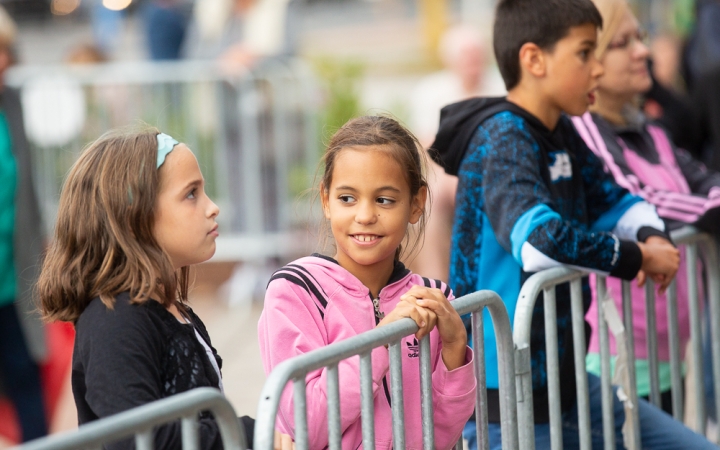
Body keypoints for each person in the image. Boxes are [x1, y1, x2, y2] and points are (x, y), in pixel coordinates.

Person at [432, 0, 715, 448]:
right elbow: (538, 242)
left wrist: (651, 236)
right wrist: (637, 257)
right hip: (510, 408)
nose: (597, 70)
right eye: (585, 53)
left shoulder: (561, 130)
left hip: (571, 386)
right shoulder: (504, 137)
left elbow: (618, 201)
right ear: (534, 60)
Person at [37, 128, 292, 449]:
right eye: (191, 194)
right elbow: (136, 437)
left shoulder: (171, 310)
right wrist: (245, 434)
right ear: (135, 218)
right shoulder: (114, 321)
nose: (213, 207)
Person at [259, 115, 476, 449]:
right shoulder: (295, 291)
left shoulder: (432, 299)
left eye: (384, 200)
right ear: (325, 200)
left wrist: (454, 350)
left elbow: (441, 435)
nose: (364, 216)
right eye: (347, 198)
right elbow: (308, 425)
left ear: (415, 204)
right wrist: (382, 340)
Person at [570, 0, 720, 417]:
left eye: (641, 38)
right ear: (590, 58)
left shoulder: (648, 129)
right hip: (617, 353)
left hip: (667, 346)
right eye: (623, 42)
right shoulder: (585, 129)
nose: (642, 52)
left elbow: (702, 177)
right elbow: (635, 198)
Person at [408, 24, 505, 282]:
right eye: (465, 55)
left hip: (496, 169)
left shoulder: (500, 85)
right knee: (429, 199)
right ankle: (435, 283)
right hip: (446, 170)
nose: (472, 61)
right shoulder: (431, 91)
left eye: (476, 53)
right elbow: (429, 145)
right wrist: (456, 176)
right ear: (450, 60)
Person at [0, 5, 48, 442]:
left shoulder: (11, 103)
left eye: (5, 50)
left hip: (14, 278)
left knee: (29, 384)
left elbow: (28, 194)